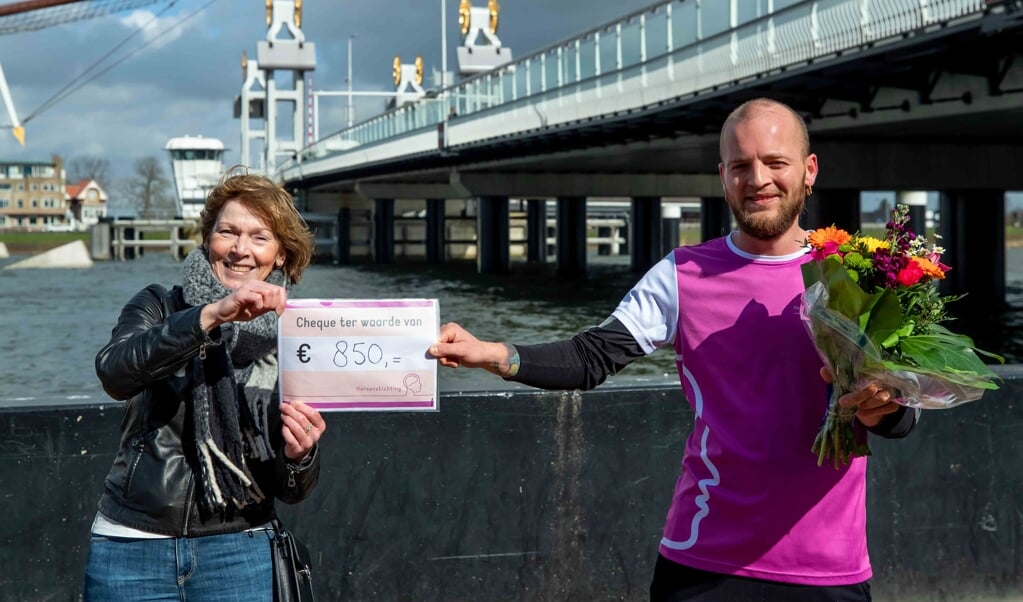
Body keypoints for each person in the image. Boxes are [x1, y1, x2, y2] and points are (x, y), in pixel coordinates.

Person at [428, 98, 919, 601]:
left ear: (809, 170)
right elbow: (591, 358)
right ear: (722, 175)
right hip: (704, 562)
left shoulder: (861, 274)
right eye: (741, 166)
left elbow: (901, 416)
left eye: (776, 163)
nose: (759, 180)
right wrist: (492, 354)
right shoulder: (682, 276)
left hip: (828, 567)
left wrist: (881, 409)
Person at [83, 172, 326, 601]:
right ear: (207, 239)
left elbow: (292, 490)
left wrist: (300, 456)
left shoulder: (299, 334)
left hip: (241, 548)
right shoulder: (160, 304)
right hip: (132, 545)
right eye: (227, 232)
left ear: (282, 255)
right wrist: (210, 316)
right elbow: (114, 372)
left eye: (259, 237)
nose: (239, 249)